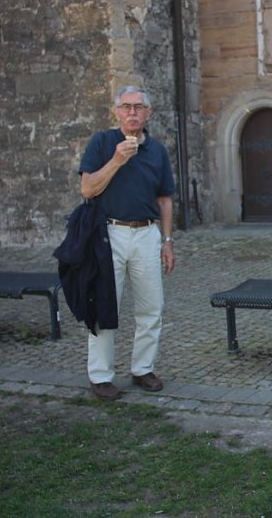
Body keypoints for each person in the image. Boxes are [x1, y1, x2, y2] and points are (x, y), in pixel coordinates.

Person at [79, 85, 176, 400]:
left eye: (138, 107)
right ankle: (101, 375)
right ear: (116, 111)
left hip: (147, 233)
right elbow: (88, 189)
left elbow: (165, 199)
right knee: (104, 306)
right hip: (110, 234)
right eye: (126, 106)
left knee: (152, 307)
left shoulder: (158, 151)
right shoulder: (102, 143)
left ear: (148, 113)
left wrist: (167, 241)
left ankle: (143, 369)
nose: (132, 112)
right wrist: (117, 160)